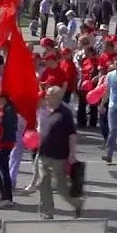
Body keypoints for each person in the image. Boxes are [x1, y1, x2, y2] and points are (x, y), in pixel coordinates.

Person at [35, 87, 82, 219]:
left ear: (57, 97)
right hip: (43, 154)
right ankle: (47, 212)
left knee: (61, 188)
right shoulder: (44, 110)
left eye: (49, 95)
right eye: (47, 95)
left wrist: (72, 153)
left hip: (59, 156)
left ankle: (76, 203)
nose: (47, 97)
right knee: (44, 181)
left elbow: (72, 135)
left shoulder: (65, 113)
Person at [0, 95, 17, 207]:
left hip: (5, 143)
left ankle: (4, 195)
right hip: (0, 143)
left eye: (0, 99)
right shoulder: (3, 109)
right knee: (4, 170)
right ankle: (8, 197)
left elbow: (8, 126)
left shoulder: (9, 110)